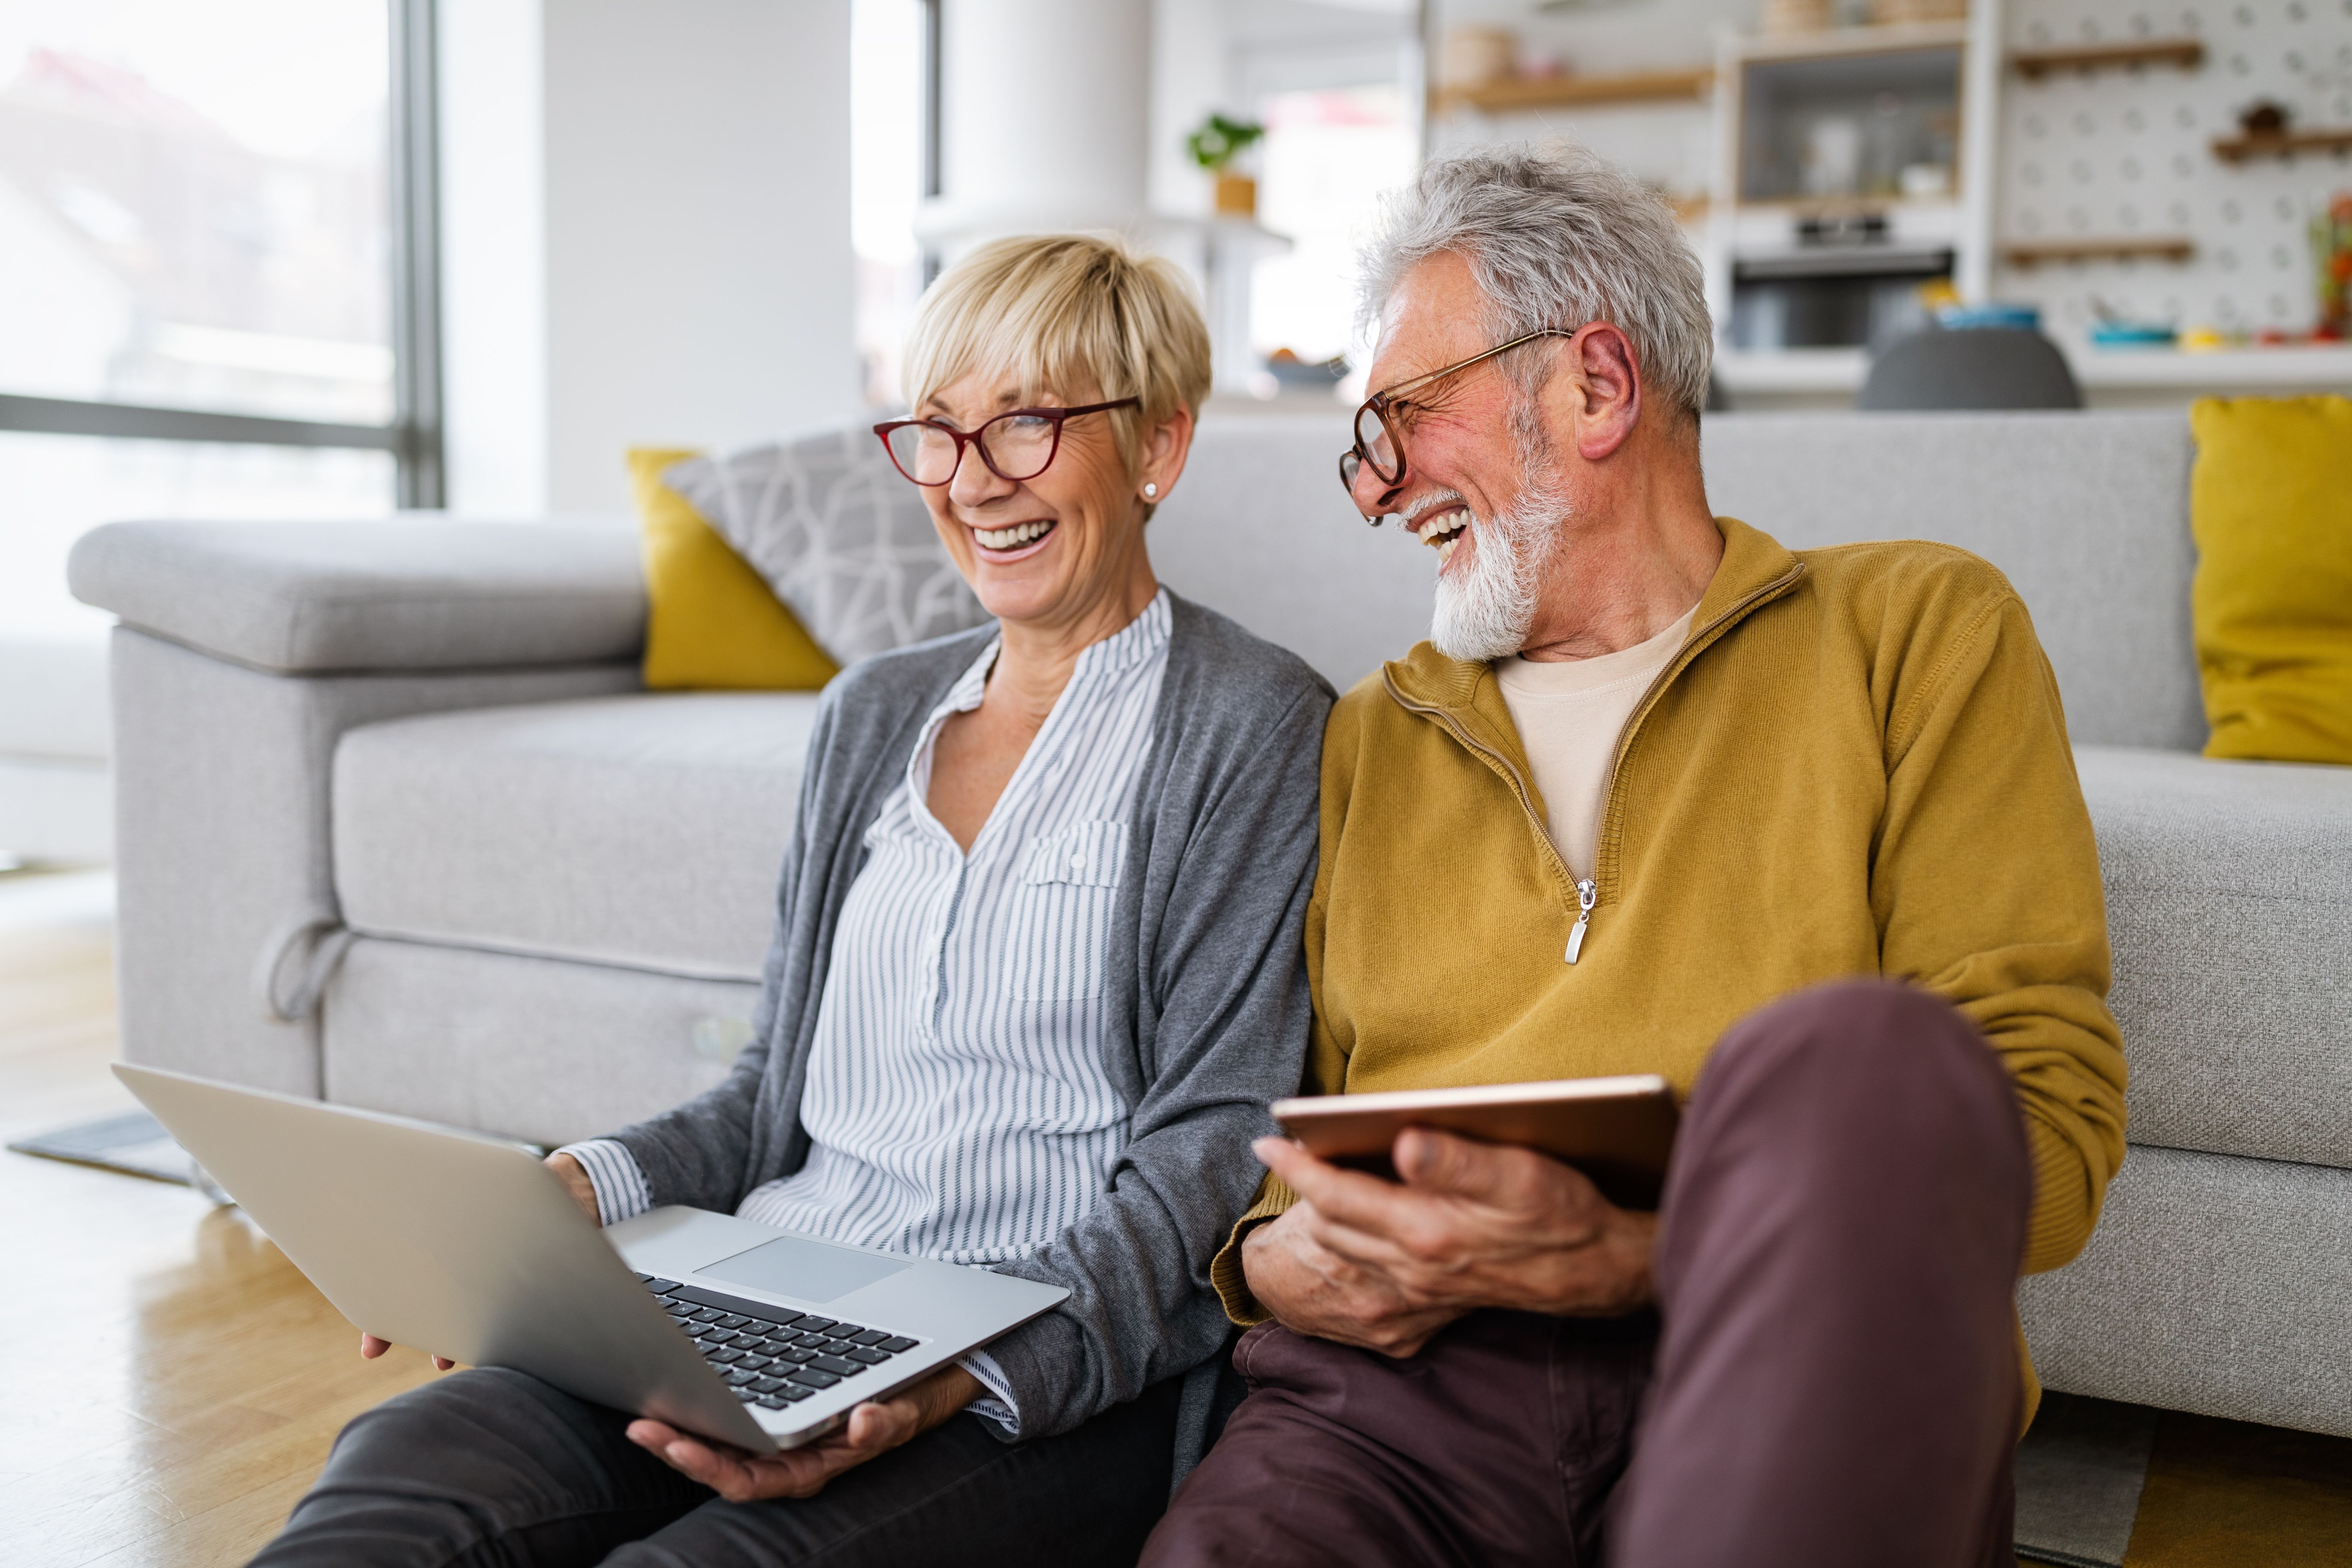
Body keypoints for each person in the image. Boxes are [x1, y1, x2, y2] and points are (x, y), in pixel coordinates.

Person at [255, 233, 1332, 1567]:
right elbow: (774, 1095)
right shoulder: (875, 711)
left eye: (1029, 425)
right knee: (412, 1470)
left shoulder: (1255, 724)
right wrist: (575, 1193)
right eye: (937, 432)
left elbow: (1208, 1165)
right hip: (768, 1290)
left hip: (1031, 1380)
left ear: (1159, 448)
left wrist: (952, 1371)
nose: (971, 480)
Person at [1142, 147, 2128, 1568]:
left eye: (1405, 420)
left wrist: (1637, 1258)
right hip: (1401, 1399)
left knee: (1869, 1060)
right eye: (1368, 446)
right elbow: (1286, 1141)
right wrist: (1278, 1265)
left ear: (1596, 385)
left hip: (1778, 1351)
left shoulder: (1917, 633)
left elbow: (2043, 1141)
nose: (1381, 491)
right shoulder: (1372, 732)